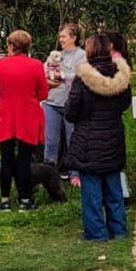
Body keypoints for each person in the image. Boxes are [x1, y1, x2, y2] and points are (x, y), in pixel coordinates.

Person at [65, 33, 132, 241]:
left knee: (92, 191)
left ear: (91, 50)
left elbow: (71, 112)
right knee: (113, 187)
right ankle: (118, 229)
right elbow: (125, 104)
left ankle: (96, 233)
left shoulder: (82, 78)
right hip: (113, 136)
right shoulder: (121, 76)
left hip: (88, 140)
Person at [0, 29, 48, 211]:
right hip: (28, 117)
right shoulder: (36, 65)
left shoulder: (0, 64)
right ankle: (25, 200)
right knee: (24, 159)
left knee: (6, 158)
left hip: (6, 116)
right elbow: (43, 93)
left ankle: (5, 200)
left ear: (12, 46)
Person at [42, 23, 87, 171]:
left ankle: (75, 173)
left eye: (64, 36)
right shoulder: (54, 54)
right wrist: (47, 79)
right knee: (51, 140)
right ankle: (49, 172)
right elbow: (44, 70)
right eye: (60, 36)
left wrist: (61, 75)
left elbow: (81, 76)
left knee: (72, 139)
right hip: (51, 103)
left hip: (71, 104)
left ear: (73, 38)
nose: (60, 39)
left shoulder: (82, 55)